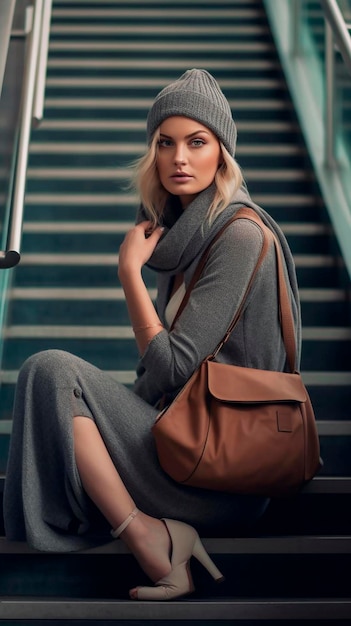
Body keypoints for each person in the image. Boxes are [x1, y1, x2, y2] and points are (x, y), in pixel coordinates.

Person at [4, 69, 301, 601]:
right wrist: (98, 414)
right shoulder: (182, 240)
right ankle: (153, 531)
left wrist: (128, 275)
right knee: (50, 381)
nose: (179, 158)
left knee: (51, 369)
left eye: (197, 142)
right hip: (184, 446)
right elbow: (158, 383)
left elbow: (169, 369)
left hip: (225, 472)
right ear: (153, 153)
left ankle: (148, 538)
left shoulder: (239, 235)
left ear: (222, 155)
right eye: (166, 143)